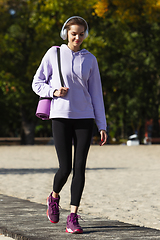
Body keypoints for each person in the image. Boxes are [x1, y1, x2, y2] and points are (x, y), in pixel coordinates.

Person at [32, 16, 107, 234]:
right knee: (65, 168)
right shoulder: (54, 53)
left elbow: (96, 94)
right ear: (66, 33)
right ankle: (54, 197)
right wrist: (52, 92)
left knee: (80, 168)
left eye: (81, 33)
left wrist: (101, 124)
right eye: (74, 33)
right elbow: (37, 82)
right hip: (60, 116)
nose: (77, 37)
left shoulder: (90, 59)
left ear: (86, 35)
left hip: (85, 118)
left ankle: (73, 217)